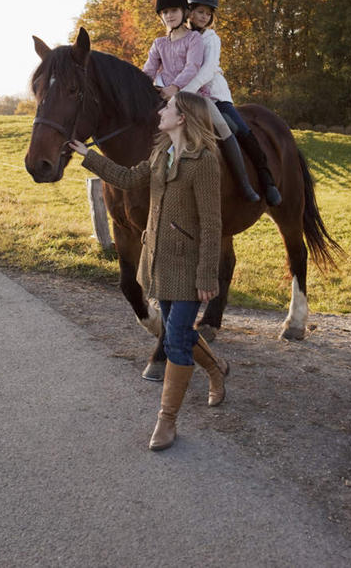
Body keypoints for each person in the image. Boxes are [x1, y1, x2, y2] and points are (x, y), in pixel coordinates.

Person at [69, 91, 229, 452]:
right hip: (161, 261)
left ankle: (166, 421)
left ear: (184, 117)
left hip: (188, 266)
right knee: (180, 332)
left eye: (169, 107)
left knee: (174, 339)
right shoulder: (161, 153)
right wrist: (87, 155)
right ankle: (216, 369)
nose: (162, 111)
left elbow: (212, 223)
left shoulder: (204, 162)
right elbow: (126, 178)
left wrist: (207, 275)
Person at [143, 0, 260, 203]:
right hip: (167, 97)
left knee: (224, 128)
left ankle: (243, 183)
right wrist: (141, 85)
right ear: (161, 16)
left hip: (196, 95)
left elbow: (193, 67)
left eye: (174, 11)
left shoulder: (195, 39)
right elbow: (149, 69)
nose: (170, 15)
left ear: (184, 12)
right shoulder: (158, 44)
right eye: (165, 12)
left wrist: (175, 88)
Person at [183, 0, 282, 207]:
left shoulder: (211, 38)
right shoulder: (181, 36)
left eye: (208, 14)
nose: (205, 17)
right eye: (201, 12)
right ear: (189, 12)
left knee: (240, 130)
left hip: (214, 96)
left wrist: (184, 91)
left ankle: (264, 180)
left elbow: (208, 70)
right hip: (185, 95)